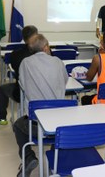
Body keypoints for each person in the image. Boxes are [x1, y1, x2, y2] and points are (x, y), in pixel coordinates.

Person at [12, 33, 68, 177]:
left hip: (37, 125)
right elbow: (65, 81)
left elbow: (23, 85)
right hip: (61, 124)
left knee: (18, 124)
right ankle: (54, 156)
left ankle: (29, 157)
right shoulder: (57, 61)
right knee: (56, 124)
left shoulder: (25, 63)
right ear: (46, 47)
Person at [0, 25, 38, 125]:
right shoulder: (45, 53)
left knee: (3, 88)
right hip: (44, 92)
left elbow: (16, 72)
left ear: (23, 38)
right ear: (37, 36)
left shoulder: (16, 54)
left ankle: (1, 117)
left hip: (23, 92)